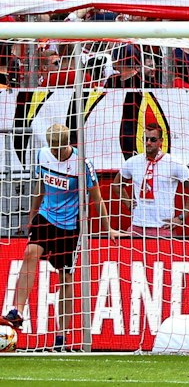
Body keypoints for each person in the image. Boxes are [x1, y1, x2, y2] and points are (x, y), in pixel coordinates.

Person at [3, 124, 103, 348]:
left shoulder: (82, 164)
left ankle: (62, 336)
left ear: (67, 144)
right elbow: (41, 187)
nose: (56, 153)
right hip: (46, 215)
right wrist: (31, 216)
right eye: (53, 149)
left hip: (70, 225)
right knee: (30, 253)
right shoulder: (43, 155)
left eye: (59, 149)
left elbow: (96, 196)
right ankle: (16, 311)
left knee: (65, 278)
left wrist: (107, 228)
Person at [117, 124, 189, 237]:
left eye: (153, 139)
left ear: (161, 141)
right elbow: (116, 184)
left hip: (163, 227)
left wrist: (181, 217)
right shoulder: (133, 162)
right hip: (137, 226)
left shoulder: (173, 163)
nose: (148, 142)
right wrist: (128, 203)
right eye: (146, 139)